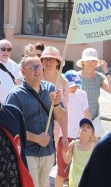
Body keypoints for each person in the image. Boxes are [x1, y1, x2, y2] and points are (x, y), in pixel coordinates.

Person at [6, 53, 66, 187]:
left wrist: (56, 104)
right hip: (27, 152)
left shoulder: (51, 89)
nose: (38, 70)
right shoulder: (16, 95)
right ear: (23, 72)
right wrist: (36, 138)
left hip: (48, 152)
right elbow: (11, 128)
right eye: (33, 67)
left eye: (39, 66)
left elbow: (61, 117)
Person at [39, 46, 69, 187]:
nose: (48, 62)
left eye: (52, 59)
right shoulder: (36, 77)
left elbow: (64, 111)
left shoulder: (63, 81)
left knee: (47, 162)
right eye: (45, 59)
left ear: (58, 62)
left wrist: (65, 135)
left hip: (54, 128)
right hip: (35, 123)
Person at [77, 48, 111, 122]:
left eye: (93, 61)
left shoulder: (99, 77)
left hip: (94, 119)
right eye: (88, 60)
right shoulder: (76, 76)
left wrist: (106, 71)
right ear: (83, 62)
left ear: (96, 63)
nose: (90, 63)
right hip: (78, 119)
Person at [63, 118, 96, 187]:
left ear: (92, 134)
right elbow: (67, 160)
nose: (85, 128)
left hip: (86, 175)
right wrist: (63, 151)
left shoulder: (93, 146)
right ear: (78, 131)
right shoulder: (73, 145)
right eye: (83, 126)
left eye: (88, 127)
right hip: (74, 174)